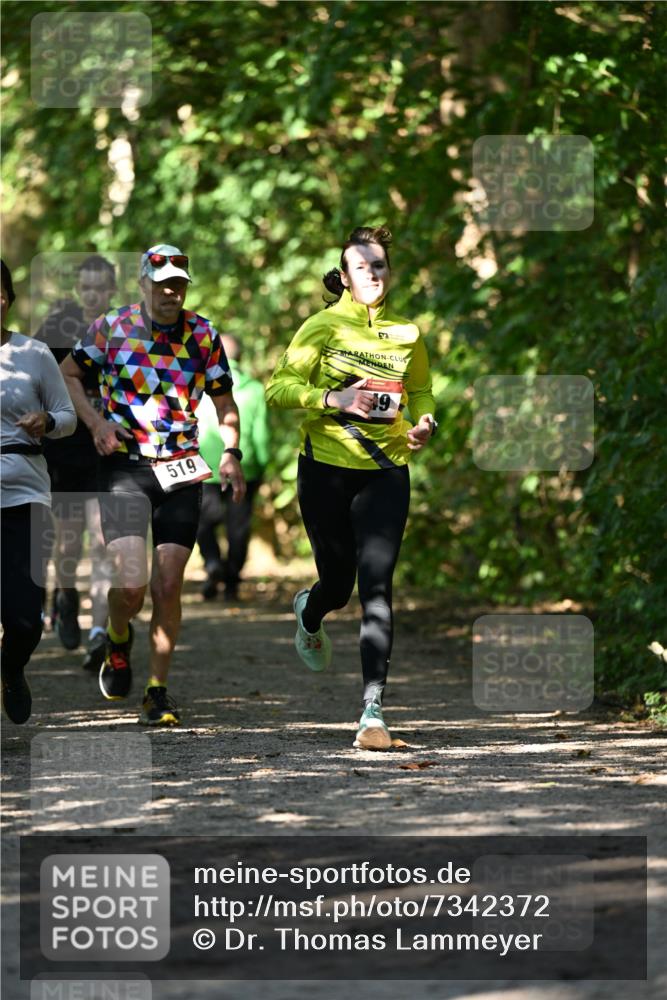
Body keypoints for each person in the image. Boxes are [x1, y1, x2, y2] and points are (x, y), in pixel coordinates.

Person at [266, 226, 436, 750]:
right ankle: (310, 611)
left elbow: (422, 390)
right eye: (362, 267)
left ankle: (372, 711)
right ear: (343, 277)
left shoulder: (408, 333)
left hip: (387, 471)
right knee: (338, 586)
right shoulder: (320, 327)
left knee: (378, 588)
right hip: (326, 470)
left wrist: (426, 422)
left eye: (380, 266)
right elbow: (278, 389)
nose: (373, 274)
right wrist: (331, 400)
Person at [61, 244, 246, 726]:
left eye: (179, 283)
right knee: (132, 584)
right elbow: (69, 375)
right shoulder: (111, 328)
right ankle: (118, 638)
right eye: (162, 283)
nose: (171, 291)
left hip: (182, 469)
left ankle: (157, 690)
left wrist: (230, 453)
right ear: (143, 283)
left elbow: (225, 404)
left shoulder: (203, 334)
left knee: (168, 583)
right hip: (125, 466)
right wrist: (97, 424)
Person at [0, 259, 76, 724]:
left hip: (26, 494)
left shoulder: (34, 353)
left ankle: (12, 668)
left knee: (26, 619)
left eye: (2, 290)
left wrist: (47, 422)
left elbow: (66, 416)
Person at [35, 255, 117, 670]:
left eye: (99, 287)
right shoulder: (56, 328)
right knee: (68, 542)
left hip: (110, 451)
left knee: (104, 543)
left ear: (112, 290)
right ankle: (65, 597)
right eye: (85, 286)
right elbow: (30, 374)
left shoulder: (124, 330)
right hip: (66, 451)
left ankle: (99, 633)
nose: (92, 294)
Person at [197, 334, 270, 600]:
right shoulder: (253, 388)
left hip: (204, 465)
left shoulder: (201, 383)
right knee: (238, 527)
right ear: (240, 357)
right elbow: (261, 433)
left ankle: (213, 562)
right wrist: (263, 462)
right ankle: (231, 581)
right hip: (244, 466)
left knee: (203, 523)